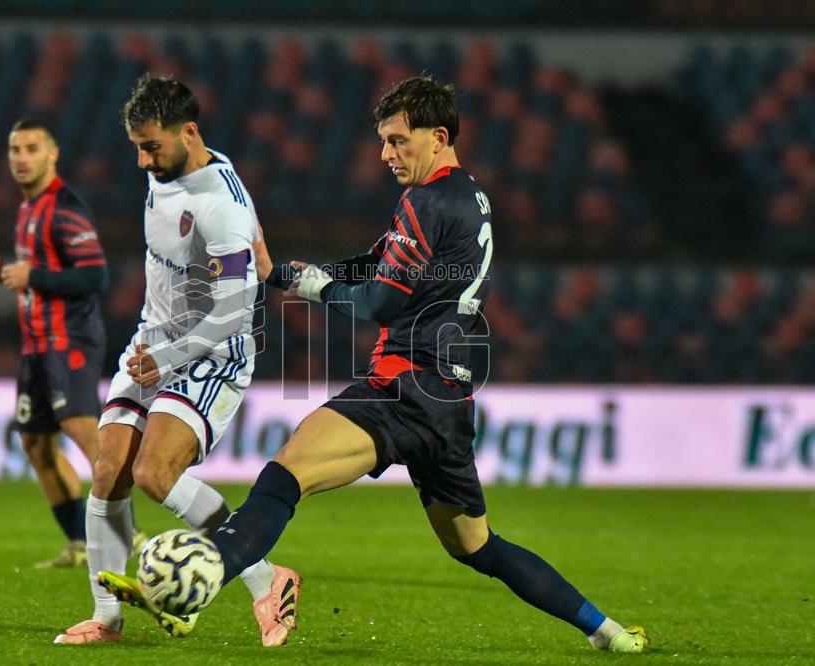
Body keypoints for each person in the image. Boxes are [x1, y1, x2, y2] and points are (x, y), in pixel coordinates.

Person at [194, 76, 650, 654]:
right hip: (448, 402)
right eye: (383, 142)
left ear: (438, 136)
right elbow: (374, 264)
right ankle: (608, 633)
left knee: (285, 476)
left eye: (397, 140)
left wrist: (311, 288)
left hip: (402, 386)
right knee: (476, 546)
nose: (386, 154)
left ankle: (201, 578)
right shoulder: (467, 197)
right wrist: (283, 273)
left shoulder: (427, 200)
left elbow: (379, 301)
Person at [52, 74, 297, 648]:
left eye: (151, 146)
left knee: (154, 475)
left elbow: (233, 315)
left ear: (189, 132)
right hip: (153, 341)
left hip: (214, 353)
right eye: (136, 146)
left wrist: (168, 358)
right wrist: (155, 348)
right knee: (108, 470)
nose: (142, 160)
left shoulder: (221, 206)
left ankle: (267, 581)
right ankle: (106, 619)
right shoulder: (169, 170)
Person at [0, 119, 129, 569]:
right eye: (15, 149)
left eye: (32, 148)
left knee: (84, 432)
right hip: (36, 345)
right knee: (36, 445)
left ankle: (126, 531)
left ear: (52, 154)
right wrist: (5, 270)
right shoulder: (28, 210)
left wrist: (32, 276)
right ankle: (80, 543)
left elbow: (95, 276)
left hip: (69, 340)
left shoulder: (64, 207)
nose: (21, 157)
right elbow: (39, 275)